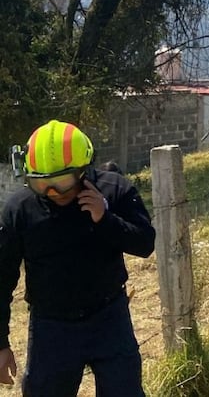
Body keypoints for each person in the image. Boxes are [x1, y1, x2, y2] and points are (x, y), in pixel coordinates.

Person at [0, 120, 156, 395]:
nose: (54, 193)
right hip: (52, 327)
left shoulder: (113, 190)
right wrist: (0, 344)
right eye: (43, 184)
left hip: (109, 318)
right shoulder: (20, 210)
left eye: (61, 182)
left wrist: (105, 219)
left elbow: (145, 243)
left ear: (84, 170)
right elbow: (1, 281)